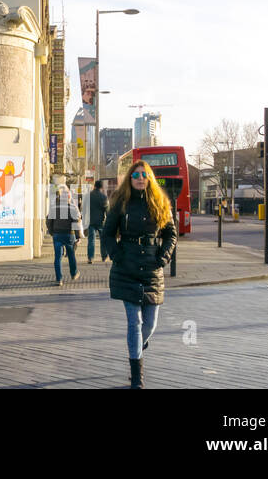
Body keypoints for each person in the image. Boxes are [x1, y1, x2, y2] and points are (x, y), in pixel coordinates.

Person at [102, 161, 177, 389]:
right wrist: (117, 255)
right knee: (134, 322)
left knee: (150, 324)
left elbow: (171, 234)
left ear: (150, 178)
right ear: (130, 178)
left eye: (144, 175)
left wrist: (163, 257)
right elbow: (106, 234)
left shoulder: (160, 203)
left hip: (152, 269)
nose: (140, 178)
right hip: (127, 268)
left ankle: (138, 346)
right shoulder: (120, 203)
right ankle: (137, 377)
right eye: (136, 174)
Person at [47, 183, 82, 285]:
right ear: (69, 198)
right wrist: (78, 237)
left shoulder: (54, 207)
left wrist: (52, 232)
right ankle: (74, 273)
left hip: (57, 235)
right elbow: (76, 222)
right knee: (71, 255)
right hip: (69, 235)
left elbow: (48, 221)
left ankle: (59, 279)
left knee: (57, 257)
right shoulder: (71, 208)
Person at [87, 179, 109, 263]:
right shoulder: (104, 197)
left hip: (91, 221)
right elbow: (107, 210)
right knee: (103, 240)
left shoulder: (88, 196)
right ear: (101, 187)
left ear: (94, 186)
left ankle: (90, 257)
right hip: (101, 221)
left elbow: (84, 208)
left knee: (91, 240)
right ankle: (104, 256)